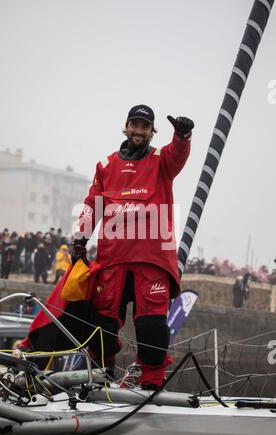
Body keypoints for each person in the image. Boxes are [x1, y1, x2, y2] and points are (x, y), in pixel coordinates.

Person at [72, 104, 194, 390]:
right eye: (134, 124)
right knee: (102, 321)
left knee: (151, 323)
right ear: (126, 127)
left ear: (153, 131)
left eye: (145, 126)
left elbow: (178, 156)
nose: (139, 130)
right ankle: (102, 372)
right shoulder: (106, 165)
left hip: (151, 259)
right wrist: (80, 240)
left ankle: (151, 380)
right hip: (112, 258)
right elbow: (93, 204)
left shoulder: (162, 161)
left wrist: (183, 135)